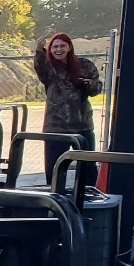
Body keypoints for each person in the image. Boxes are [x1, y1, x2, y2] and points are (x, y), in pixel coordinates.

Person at [34, 32, 101, 185]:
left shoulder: (85, 65)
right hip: (55, 127)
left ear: (69, 47)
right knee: (54, 169)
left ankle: (88, 200)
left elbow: (96, 90)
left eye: (62, 46)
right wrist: (39, 50)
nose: (58, 50)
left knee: (88, 167)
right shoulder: (49, 68)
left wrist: (89, 84)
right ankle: (55, 202)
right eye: (54, 46)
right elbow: (40, 68)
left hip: (82, 125)